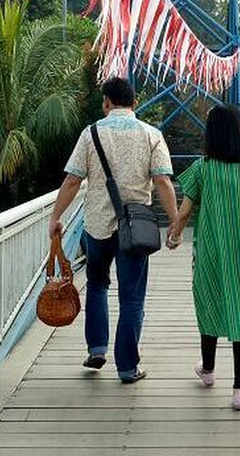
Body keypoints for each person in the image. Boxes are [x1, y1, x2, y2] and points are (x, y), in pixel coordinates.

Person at [49, 77, 179, 384]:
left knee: (96, 285)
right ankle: (127, 368)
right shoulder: (151, 135)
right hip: (135, 230)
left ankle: (96, 348)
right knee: (132, 299)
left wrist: (56, 216)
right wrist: (175, 221)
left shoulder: (91, 133)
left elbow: (71, 180)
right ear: (134, 103)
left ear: (106, 102)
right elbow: (162, 181)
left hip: (96, 225)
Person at [167, 104, 240, 410]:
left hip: (212, 253)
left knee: (210, 303)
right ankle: (239, 391)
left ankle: (208, 370)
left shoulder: (203, 169)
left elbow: (186, 211)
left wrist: (174, 235)